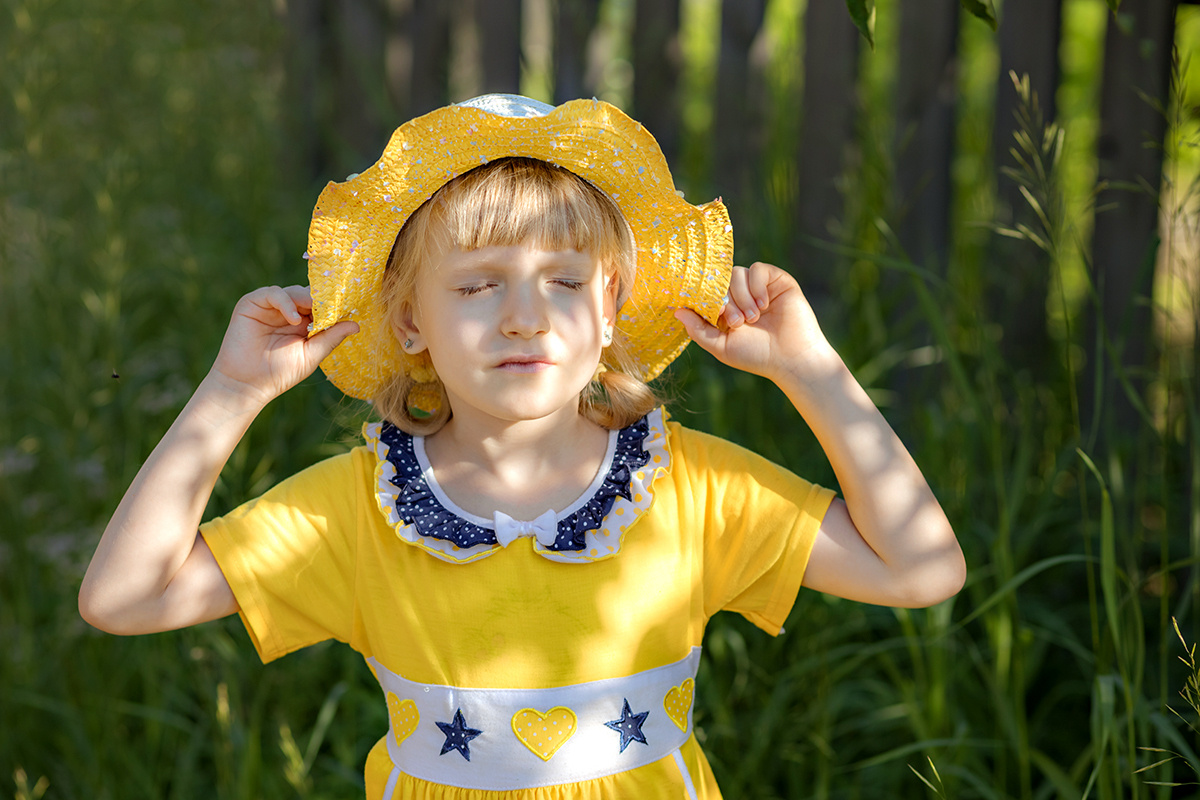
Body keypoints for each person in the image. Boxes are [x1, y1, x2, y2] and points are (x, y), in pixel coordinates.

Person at [79, 94, 965, 799]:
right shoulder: (358, 509)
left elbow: (920, 572)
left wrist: (811, 371)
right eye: (476, 284)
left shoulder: (689, 487)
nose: (525, 316)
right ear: (409, 320)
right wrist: (232, 392)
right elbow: (123, 597)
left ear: (610, 305)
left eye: (565, 281)